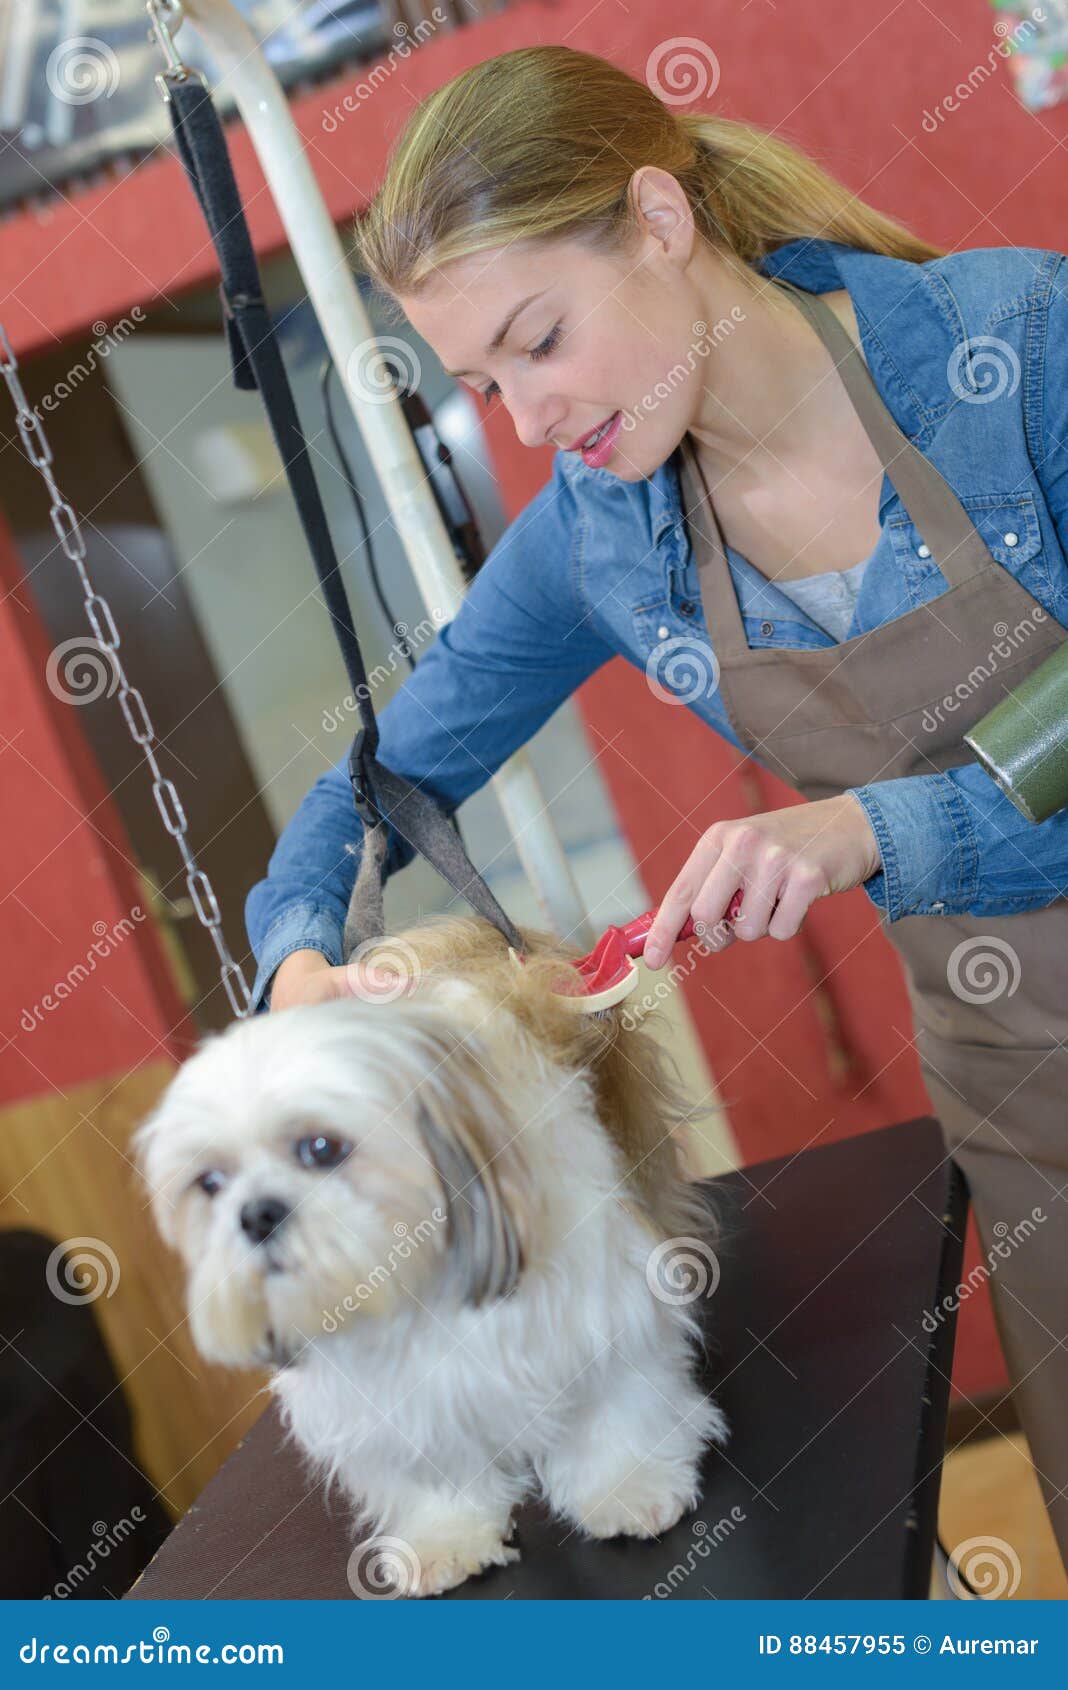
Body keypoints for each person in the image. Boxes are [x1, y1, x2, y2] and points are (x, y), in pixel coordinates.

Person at [245, 45, 1068, 1569]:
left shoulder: (1020, 346)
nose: (528, 416)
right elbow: (377, 780)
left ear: (660, 218)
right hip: (1033, 1098)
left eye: (539, 339)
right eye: (483, 384)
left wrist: (874, 828)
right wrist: (301, 970)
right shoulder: (601, 541)